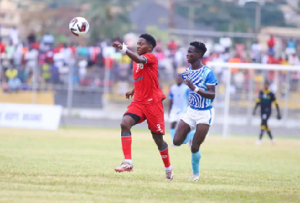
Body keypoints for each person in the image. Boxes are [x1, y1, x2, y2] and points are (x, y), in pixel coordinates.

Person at [112, 34, 173, 180]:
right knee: (125, 123)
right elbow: (142, 77)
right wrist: (133, 90)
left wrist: (123, 49)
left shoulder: (150, 57)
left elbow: (141, 60)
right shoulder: (134, 61)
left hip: (153, 104)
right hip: (139, 102)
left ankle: (168, 169)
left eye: (141, 44)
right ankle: (128, 162)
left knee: (158, 140)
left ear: (149, 47)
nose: (138, 46)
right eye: (137, 44)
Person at [173, 41, 218, 182]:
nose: (187, 54)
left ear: (198, 55)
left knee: (195, 147)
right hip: (191, 111)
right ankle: (192, 134)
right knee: (176, 140)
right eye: (187, 52)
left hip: (205, 113)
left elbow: (212, 94)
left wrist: (196, 89)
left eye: (190, 52)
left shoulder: (208, 72)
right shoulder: (186, 73)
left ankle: (195, 174)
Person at [169, 74, 195, 146]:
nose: (179, 79)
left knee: (186, 127)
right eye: (178, 78)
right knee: (172, 124)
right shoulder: (172, 88)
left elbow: (190, 99)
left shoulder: (186, 88)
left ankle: (190, 140)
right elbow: (170, 99)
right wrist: (170, 110)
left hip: (183, 109)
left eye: (180, 78)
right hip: (174, 109)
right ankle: (174, 142)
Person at [253, 80, 281, 145]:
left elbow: (276, 103)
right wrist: (254, 109)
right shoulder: (261, 92)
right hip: (262, 111)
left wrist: (278, 112)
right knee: (265, 125)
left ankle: (259, 140)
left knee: (263, 124)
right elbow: (258, 102)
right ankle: (272, 139)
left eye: (267, 84)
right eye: (265, 84)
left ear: (269, 85)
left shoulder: (271, 93)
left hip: (268, 111)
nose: (266, 85)